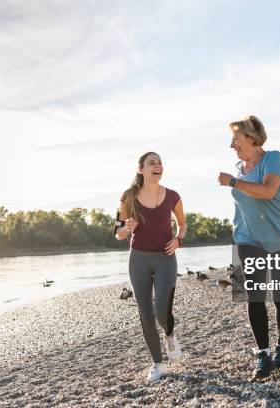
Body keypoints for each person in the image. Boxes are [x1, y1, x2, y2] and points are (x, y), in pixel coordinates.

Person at [218, 115, 280, 380]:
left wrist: (232, 182)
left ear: (251, 137)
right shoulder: (239, 167)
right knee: (254, 295)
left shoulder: (273, 158)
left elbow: (268, 192)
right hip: (248, 239)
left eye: (236, 139)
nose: (232, 145)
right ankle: (263, 355)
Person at [115, 151, 187, 382]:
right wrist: (127, 227)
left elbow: (183, 224)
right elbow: (117, 232)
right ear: (141, 169)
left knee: (161, 311)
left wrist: (178, 240)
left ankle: (170, 334)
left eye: (160, 163)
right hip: (138, 260)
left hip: (165, 258)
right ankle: (157, 364)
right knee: (145, 315)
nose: (157, 166)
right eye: (152, 163)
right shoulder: (128, 196)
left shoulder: (173, 196)